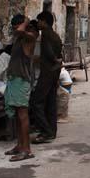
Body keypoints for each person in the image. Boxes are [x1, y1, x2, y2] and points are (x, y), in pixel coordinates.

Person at [4, 14, 37, 161]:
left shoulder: (29, 37)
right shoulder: (19, 38)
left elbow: (18, 31)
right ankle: (19, 145)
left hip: (21, 81)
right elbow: (16, 32)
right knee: (17, 115)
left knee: (23, 115)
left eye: (16, 25)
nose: (14, 28)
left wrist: (25, 22)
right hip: (14, 80)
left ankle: (27, 150)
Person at [31, 11, 62, 144]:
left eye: (39, 21)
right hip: (53, 72)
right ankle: (51, 131)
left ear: (44, 21)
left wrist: (54, 60)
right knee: (50, 102)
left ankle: (46, 131)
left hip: (48, 72)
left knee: (36, 102)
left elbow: (49, 53)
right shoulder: (54, 34)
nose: (38, 23)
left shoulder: (46, 35)